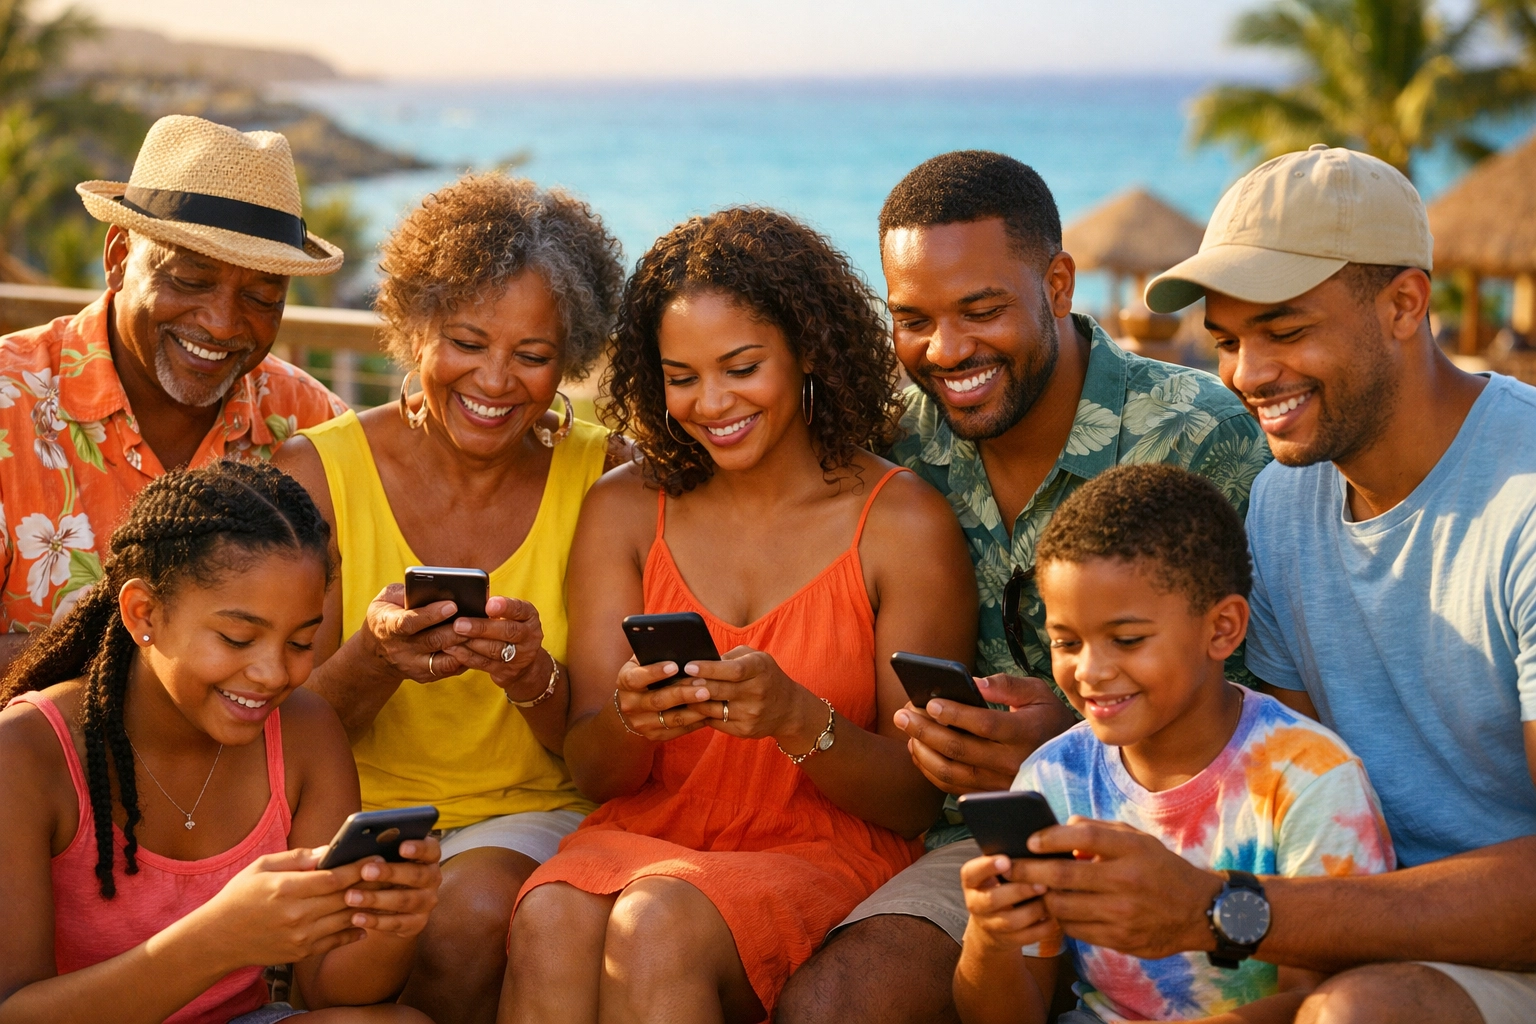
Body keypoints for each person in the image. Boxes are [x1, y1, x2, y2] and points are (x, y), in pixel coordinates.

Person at [1000, 145, 1536, 1024]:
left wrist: (1219, 910)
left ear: (1406, 305)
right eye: (1228, 340)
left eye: (1285, 331)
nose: (1246, 375)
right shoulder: (1284, 503)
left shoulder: (1524, 500)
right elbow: (1285, 759)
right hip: (1342, 914)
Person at [779, 151, 1272, 1024]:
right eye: (912, 320)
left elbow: (1271, 698)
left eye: (981, 311)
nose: (946, 350)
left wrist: (1078, 746)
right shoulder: (892, 440)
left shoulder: (1203, 439)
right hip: (982, 843)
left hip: (1185, 836)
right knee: (838, 1003)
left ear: (1057, 284)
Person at [499, 207, 976, 1024]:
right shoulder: (624, 509)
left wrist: (797, 718)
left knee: (657, 925)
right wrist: (631, 718)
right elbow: (594, 773)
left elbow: (913, 799)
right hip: (649, 831)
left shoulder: (903, 524)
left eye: (742, 367)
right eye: (681, 377)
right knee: (548, 916)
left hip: (822, 848)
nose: (711, 403)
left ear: (808, 349)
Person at [273, 173, 627, 1024]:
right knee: (347, 970)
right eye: (468, 342)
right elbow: (277, 731)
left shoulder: (608, 476)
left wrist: (531, 675)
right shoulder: (315, 472)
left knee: (468, 914)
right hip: (349, 807)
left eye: (533, 356)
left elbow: (601, 747)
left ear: (571, 356)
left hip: (530, 812)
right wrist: (375, 659)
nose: (496, 381)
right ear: (416, 326)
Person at [0, 460, 441, 1024]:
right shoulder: (27, 753)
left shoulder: (304, 733)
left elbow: (336, 991)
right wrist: (219, 940)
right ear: (144, 613)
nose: (273, 674)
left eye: (301, 643)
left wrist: (392, 920)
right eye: (237, 638)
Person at [954, 464, 1393, 1024]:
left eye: (1127, 639)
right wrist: (990, 939)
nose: (1089, 671)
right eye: (1066, 642)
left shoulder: (1309, 781)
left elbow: (1316, 1002)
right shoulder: (1050, 780)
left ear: (1222, 628)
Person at [0, 114, 348, 669]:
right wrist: (142, 666)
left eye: (261, 298)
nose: (221, 324)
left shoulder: (312, 422)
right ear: (118, 258)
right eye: (191, 280)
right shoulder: (9, 402)